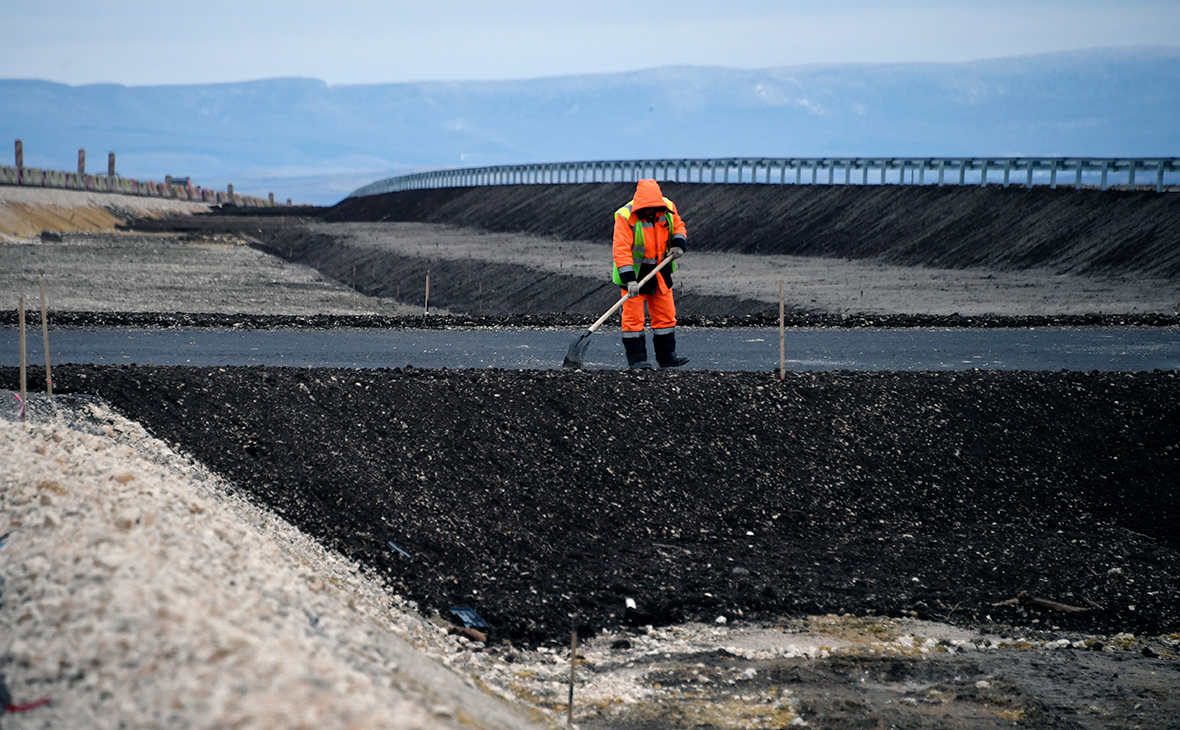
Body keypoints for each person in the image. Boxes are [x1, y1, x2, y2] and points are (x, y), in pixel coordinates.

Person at [611, 179, 690, 370]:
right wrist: (629, 281)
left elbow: (678, 226)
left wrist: (679, 243)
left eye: (652, 207)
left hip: (660, 270)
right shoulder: (625, 216)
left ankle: (667, 358)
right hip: (634, 273)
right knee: (633, 319)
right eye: (645, 208)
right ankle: (637, 361)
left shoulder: (667, 208)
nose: (649, 210)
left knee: (665, 316)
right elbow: (621, 250)